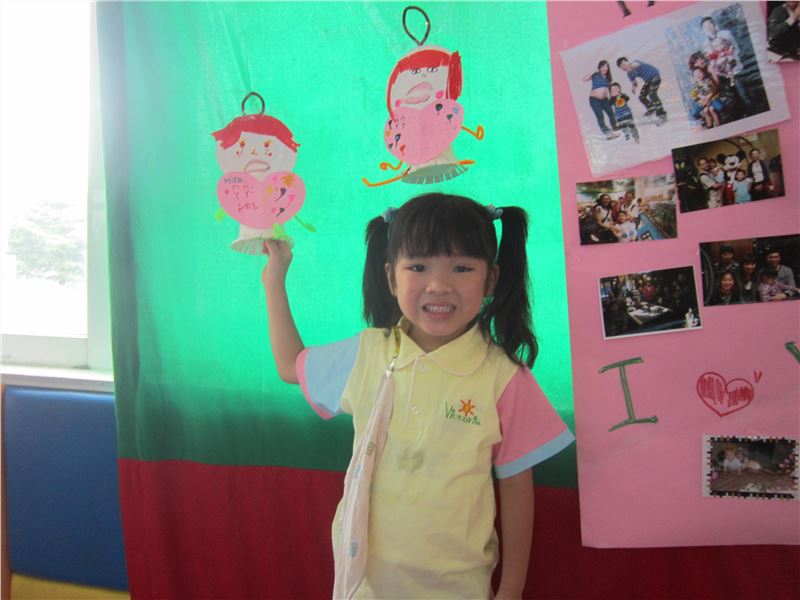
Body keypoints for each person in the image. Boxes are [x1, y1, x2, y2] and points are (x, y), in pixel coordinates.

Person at [261, 193, 574, 599]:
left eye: (462, 268)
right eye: (418, 267)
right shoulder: (367, 353)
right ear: (392, 278)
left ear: (491, 279)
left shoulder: (502, 376)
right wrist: (274, 282)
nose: (439, 285)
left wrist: (511, 589)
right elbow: (291, 366)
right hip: (363, 587)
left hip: (457, 589)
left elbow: (516, 487)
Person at [700, 16, 751, 112]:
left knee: (742, 93)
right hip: (721, 74)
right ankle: (742, 114)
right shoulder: (705, 44)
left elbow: (736, 48)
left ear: (714, 24)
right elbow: (710, 59)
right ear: (703, 30)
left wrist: (729, 61)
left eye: (710, 24)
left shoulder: (726, 34)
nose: (709, 28)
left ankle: (750, 110)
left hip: (733, 69)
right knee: (732, 97)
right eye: (705, 27)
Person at [616, 56, 667, 124]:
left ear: (627, 62)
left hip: (655, 76)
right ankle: (651, 108)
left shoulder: (635, 62)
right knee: (642, 97)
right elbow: (634, 82)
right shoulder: (629, 74)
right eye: (621, 67)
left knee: (652, 94)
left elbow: (636, 65)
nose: (623, 67)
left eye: (623, 64)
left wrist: (630, 67)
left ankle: (662, 114)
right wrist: (633, 88)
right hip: (648, 81)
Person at [583, 60, 620, 139]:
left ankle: (615, 127)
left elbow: (609, 89)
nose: (605, 68)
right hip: (594, 100)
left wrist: (613, 97)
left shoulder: (608, 78)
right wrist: (593, 71)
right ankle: (606, 132)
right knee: (600, 115)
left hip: (604, 99)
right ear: (599, 67)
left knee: (610, 113)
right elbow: (584, 79)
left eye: (606, 66)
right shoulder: (595, 75)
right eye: (603, 66)